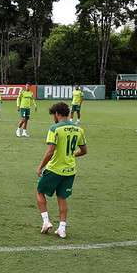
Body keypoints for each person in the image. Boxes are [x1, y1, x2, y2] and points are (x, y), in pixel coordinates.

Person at [36, 102, 87, 239]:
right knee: (62, 198)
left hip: (54, 169)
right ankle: (62, 229)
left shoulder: (54, 129)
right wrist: (71, 155)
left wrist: (40, 166)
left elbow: (50, 151)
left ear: (57, 114)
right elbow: (84, 151)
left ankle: (46, 222)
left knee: (40, 192)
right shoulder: (79, 129)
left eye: (54, 115)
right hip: (70, 171)